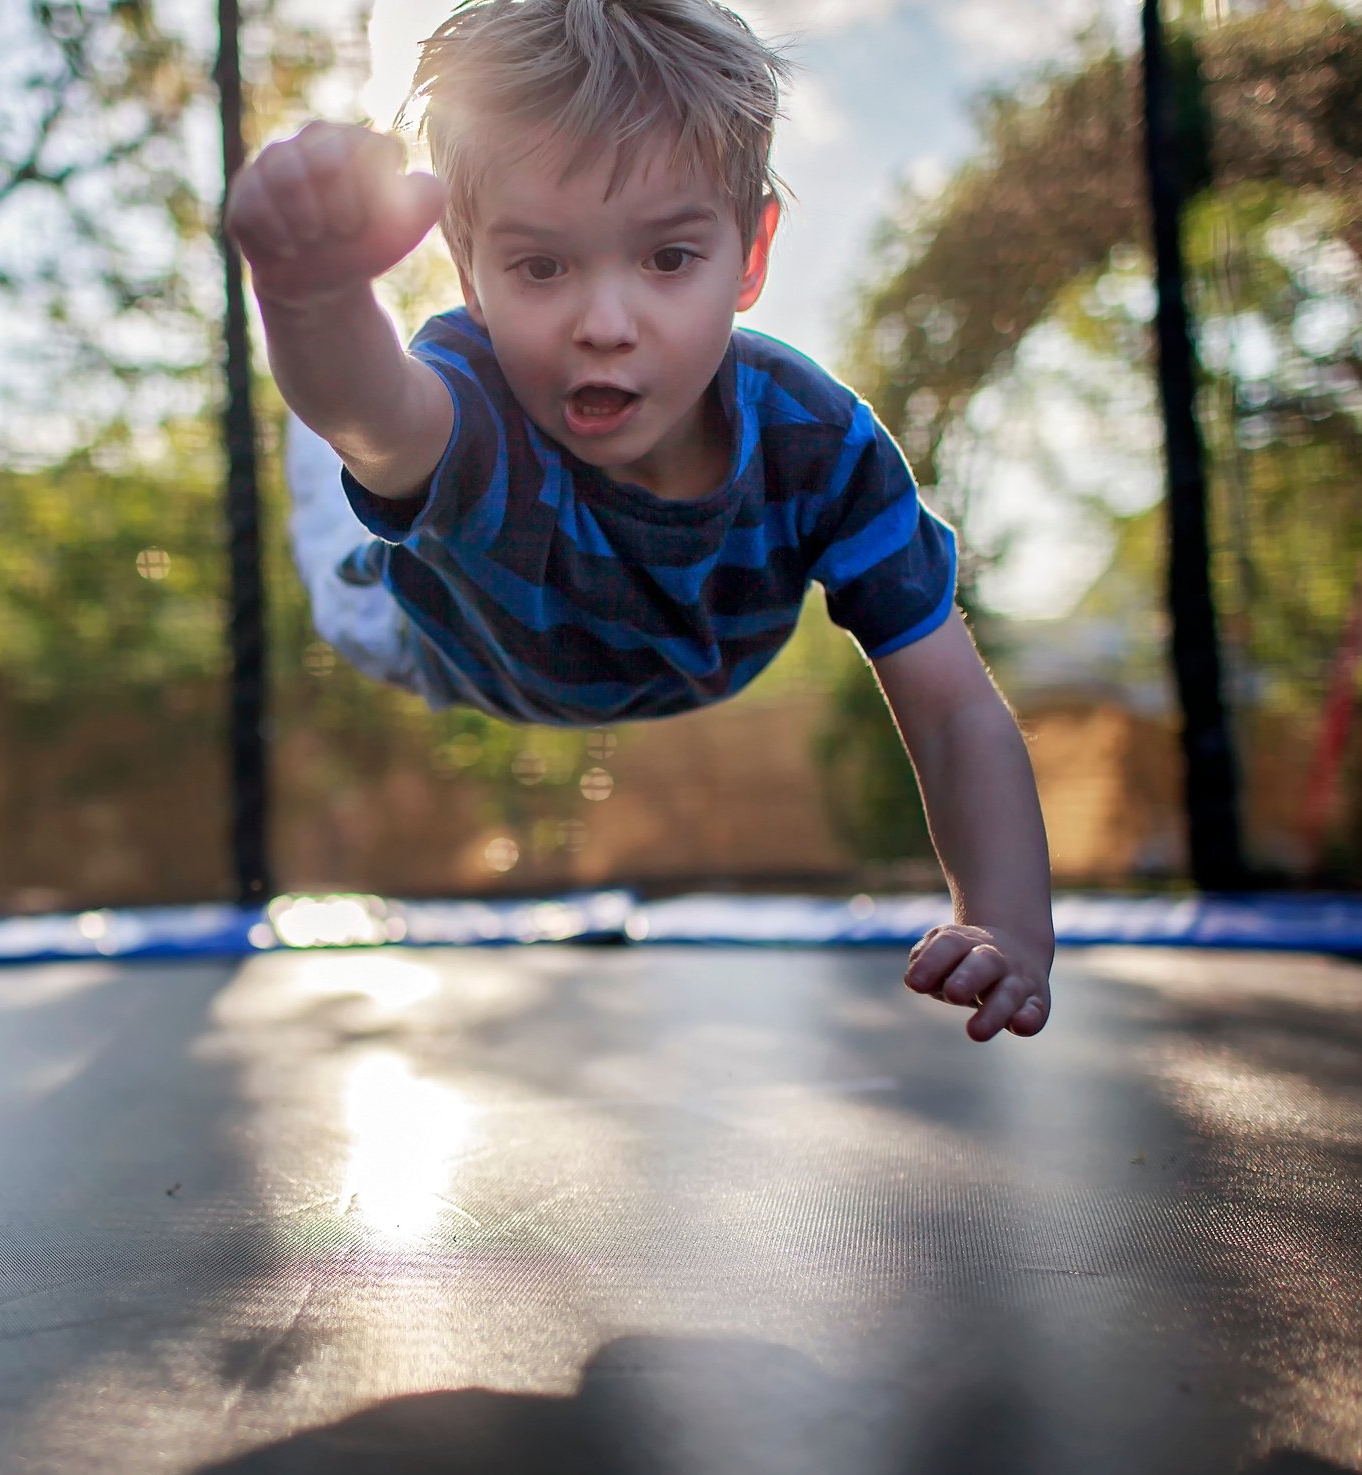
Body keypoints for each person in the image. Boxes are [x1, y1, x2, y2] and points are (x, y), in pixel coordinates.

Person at [225, 0, 1053, 1040]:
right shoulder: (474, 403)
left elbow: (954, 709)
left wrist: (1010, 926)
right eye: (540, 267)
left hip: (647, 646)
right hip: (421, 628)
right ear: (469, 270)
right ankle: (332, 360)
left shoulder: (823, 448)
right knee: (349, 429)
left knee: (362, 419)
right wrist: (305, 297)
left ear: (750, 256)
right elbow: (383, 420)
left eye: (667, 260)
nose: (606, 327)